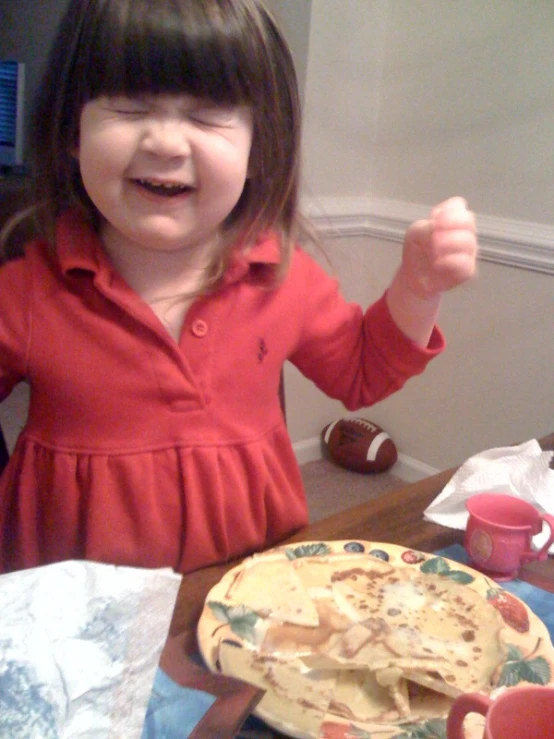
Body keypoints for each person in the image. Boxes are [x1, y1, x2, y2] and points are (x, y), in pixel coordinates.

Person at [0, 0, 477, 575]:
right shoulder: (25, 290)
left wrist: (418, 287)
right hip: (76, 612)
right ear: (72, 131)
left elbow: (361, 370)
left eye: (206, 115)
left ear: (260, 149)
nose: (167, 143)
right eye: (129, 105)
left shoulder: (284, 275)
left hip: (251, 582)